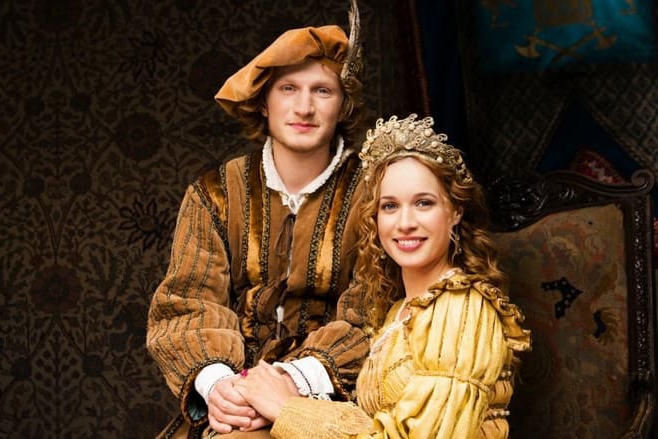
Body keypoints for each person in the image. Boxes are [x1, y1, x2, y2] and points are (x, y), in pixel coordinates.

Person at [146, 2, 372, 438]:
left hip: (334, 398)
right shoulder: (216, 194)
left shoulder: (376, 192)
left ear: (343, 105)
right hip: (234, 401)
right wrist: (223, 389)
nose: (304, 107)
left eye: (322, 91)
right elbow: (187, 305)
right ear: (264, 102)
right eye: (288, 88)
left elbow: (374, 310)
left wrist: (291, 383)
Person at [233, 114, 532, 438]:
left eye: (424, 203)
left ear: (456, 211)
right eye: (390, 206)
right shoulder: (398, 311)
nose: (405, 223)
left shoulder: (463, 308)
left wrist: (287, 409)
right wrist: (271, 401)